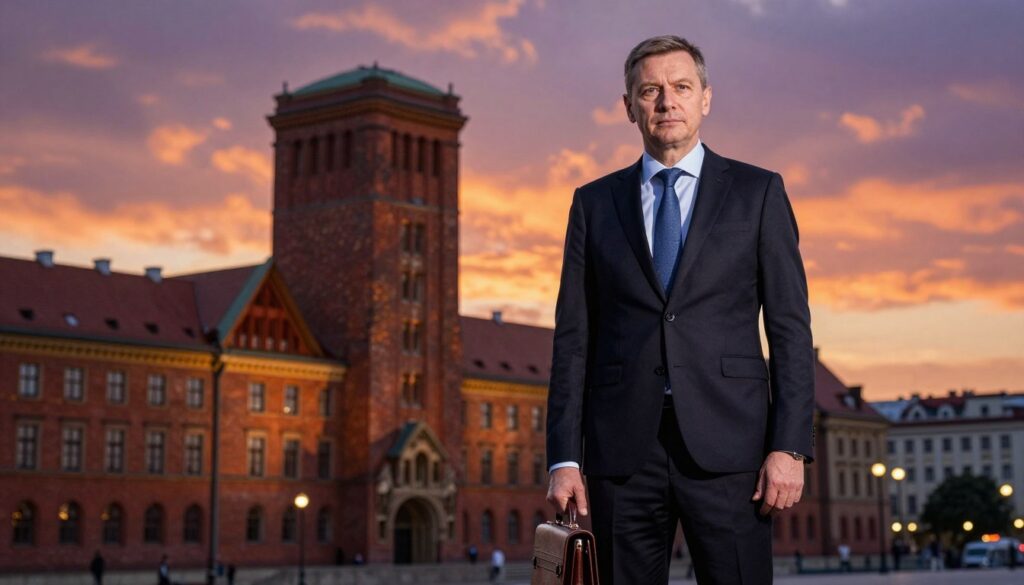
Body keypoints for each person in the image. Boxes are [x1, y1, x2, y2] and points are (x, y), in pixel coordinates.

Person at [546, 35, 815, 585]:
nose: (667, 101)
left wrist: (789, 446)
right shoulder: (593, 204)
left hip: (732, 450)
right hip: (621, 453)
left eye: (681, 87)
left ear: (705, 99)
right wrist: (563, 458)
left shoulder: (758, 193)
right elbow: (573, 338)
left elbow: (789, 329)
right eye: (650, 90)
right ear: (629, 107)